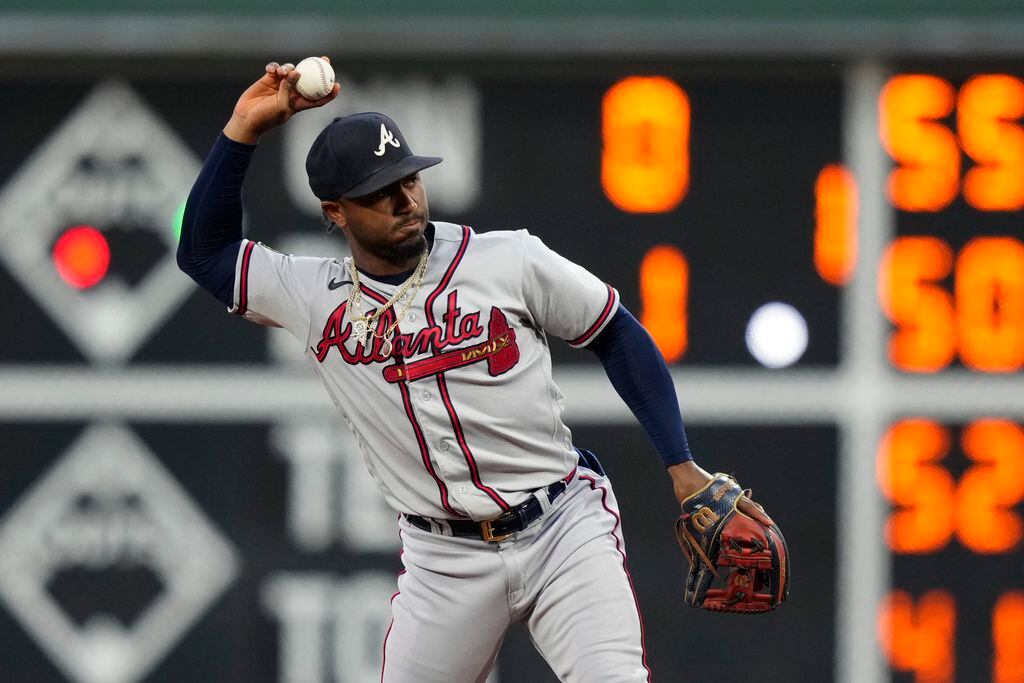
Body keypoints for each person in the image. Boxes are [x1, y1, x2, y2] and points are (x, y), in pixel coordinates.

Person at [178, 59, 775, 683]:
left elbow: (618, 332)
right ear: (335, 212)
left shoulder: (507, 260)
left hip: (561, 528)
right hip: (443, 560)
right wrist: (243, 126)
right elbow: (203, 251)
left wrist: (681, 466)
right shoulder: (313, 293)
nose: (404, 198)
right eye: (379, 191)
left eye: (408, 178)